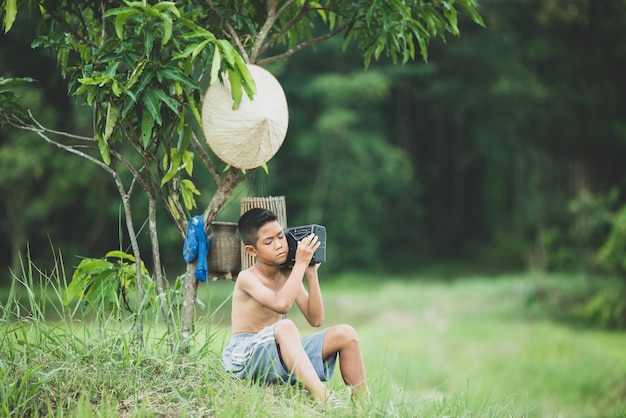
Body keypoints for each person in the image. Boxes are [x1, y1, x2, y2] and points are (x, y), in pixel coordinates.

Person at [222, 208, 368, 407]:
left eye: (281, 236)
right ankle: (322, 396)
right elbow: (282, 305)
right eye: (268, 242)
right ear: (252, 251)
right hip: (245, 354)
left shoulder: (288, 274)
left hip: (278, 350)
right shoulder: (247, 277)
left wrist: (310, 273)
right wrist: (299, 264)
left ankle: (363, 407)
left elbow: (316, 319)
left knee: (346, 334)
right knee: (286, 326)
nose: (279, 245)